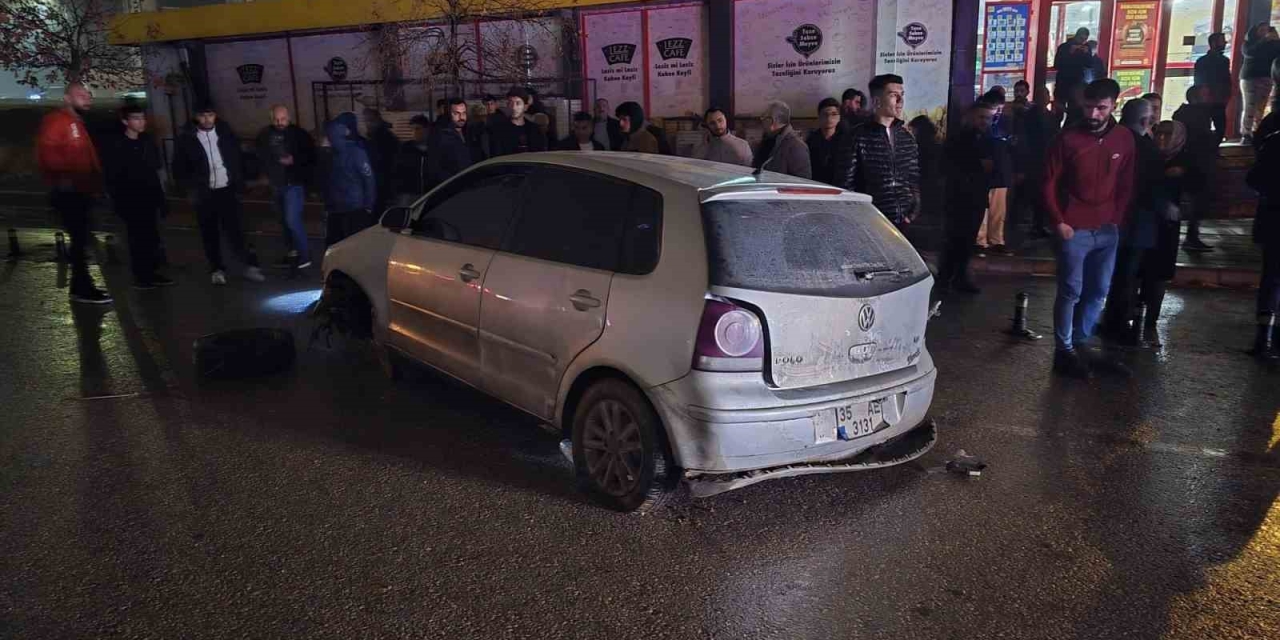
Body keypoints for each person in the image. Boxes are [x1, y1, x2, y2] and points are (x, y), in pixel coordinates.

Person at [1042, 79, 1135, 378]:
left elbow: (1126, 181)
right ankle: (1064, 349)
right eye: (1089, 107)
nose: (1094, 114)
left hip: (1107, 228)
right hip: (1074, 227)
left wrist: (1117, 218)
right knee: (1071, 290)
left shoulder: (1124, 138)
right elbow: (1048, 182)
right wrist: (1059, 220)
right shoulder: (1067, 138)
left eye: (1101, 108)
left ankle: (1080, 342)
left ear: (1114, 106)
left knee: (1098, 290)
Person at [35, 83, 111, 304]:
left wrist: (95, 185)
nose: (87, 98)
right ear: (67, 98)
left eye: (88, 95)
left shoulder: (76, 123)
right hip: (70, 192)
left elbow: (87, 158)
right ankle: (82, 288)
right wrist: (67, 181)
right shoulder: (58, 122)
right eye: (81, 95)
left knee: (81, 239)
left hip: (81, 191)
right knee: (80, 239)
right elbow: (49, 154)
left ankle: (80, 286)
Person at [174, 101, 265, 286]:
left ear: (215, 115)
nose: (207, 119)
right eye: (202, 115)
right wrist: (190, 188)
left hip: (227, 189)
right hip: (204, 192)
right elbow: (179, 167)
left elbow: (237, 159)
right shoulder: (187, 139)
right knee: (209, 232)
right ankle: (216, 268)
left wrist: (242, 182)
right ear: (196, 117)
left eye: (210, 115)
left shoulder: (226, 134)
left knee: (237, 230)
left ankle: (249, 265)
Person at [1100, 99, 1161, 343]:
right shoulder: (1145, 148)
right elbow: (1152, 186)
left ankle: (1098, 318)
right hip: (1136, 220)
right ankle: (1116, 323)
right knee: (1126, 273)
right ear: (1146, 120)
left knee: (1106, 270)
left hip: (1104, 217)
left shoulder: (1106, 139)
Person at [1138, 120, 1201, 346]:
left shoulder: (1186, 161)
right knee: (1136, 272)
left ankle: (1150, 324)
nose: (1162, 138)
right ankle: (1133, 318)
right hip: (1142, 222)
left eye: (1168, 134)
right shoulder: (1146, 156)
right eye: (1159, 133)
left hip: (1166, 228)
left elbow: (1197, 189)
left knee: (1158, 276)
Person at [101, 103, 173, 289]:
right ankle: (141, 276)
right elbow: (113, 176)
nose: (141, 122)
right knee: (137, 238)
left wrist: (161, 199)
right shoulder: (117, 145)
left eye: (142, 118)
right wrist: (117, 201)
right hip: (131, 199)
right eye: (136, 118)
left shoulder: (146, 141)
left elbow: (154, 171)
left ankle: (152, 272)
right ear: (126, 121)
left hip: (149, 196)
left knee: (152, 237)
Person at [834, 74, 919, 229]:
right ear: (876, 101)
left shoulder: (907, 137)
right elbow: (845, 184)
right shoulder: (857, 136)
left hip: (905, 222)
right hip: (871, 222)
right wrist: (861, 217)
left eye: (902, 95)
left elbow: (913, 180)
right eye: (893, 95)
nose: (900, 100)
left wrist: (912, 213)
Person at [936, 101, 996, 295]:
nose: (985, 122)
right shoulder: (958, 139)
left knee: (968, 240)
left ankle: (959, 276)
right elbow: (948, 166)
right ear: (971, 116)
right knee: (954, 238)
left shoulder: (987, 139)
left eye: (988, 118)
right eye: (981, 117)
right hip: (958, 196)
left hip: (976, 196)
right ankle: (946, 277)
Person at [255, 105, 316, 269]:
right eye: (276, 119)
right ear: (271, 119)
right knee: (283, 221)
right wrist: (264, 173)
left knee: (292, 220)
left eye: (282, 119)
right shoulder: (265, 135)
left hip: (293, 184)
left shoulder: (299, 134)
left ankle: (305, 255)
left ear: (288, 117)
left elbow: (311, 156)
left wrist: (295, 160)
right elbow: (260, 155)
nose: (279, 122)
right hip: (276, 184)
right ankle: (292, 252)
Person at [1248, 63, 1280, 358]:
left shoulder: (1272, 135)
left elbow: (1254, 178)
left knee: (1271, 278)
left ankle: (1264, 338)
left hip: (1274, 218)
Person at [323, 112, 377, 246]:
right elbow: (369, 179)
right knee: (354, 246)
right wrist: (369, 205)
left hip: (339, 207)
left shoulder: (330, 153)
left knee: (336, 246)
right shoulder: (356, 151)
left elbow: (324, 180)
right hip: (353, 206)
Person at [1173, 85, 1216, 252]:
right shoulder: (1198, 115)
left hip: (1188, 161)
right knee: (1196, 202)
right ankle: (1191, 237)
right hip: (1195, 163)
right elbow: (1201, 138)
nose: (1208, 98)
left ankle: (1186, 236)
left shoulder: (1182, 113)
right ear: (1196, 97)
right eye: (1205, 95)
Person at [976, 90, 1014, 255]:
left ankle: (996, 240)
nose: (998, 111)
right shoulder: (981, 122)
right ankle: (980, 240)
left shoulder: (1004, 123)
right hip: (984, 172)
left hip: (1000, 172)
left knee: (998, 210)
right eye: (996, 108)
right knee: (982, 209)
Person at [1240, 23, 1280, 142]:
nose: (1264, 32)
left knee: (1260, 107)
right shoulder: (1248, 43)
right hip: (1250, 78)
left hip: (1266, 78)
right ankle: (1246, 133)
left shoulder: (1273, 44)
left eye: (1266, 30)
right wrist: (1264, 40)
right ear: (1255, 32)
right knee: (1249, 106)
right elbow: (1250, 53)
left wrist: (1277, 40)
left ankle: (1256, 132)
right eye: (1261, 30)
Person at [752, 101, 811, 179]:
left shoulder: (796, 146)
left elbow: (803, 181)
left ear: (773, 120)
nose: (761, 120)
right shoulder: (768, 140)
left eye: (764, 117)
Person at [427, 97, 476, 187]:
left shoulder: (469, 133)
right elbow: (434, 168)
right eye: (456, 113)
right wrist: (453, 183)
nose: (461, 117)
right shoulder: (440, 135)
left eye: (464, 113)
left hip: (470, 185)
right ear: (449, 114)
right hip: (452, 187)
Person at [1195, 33, 1231, 147]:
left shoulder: (1201, 61)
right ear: (1214, 43)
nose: (1225, 43)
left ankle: (1208, 148)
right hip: (1215, 98)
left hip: (1208, 98)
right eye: (1222, 41)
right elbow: (1226, 80)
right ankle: (1213, 147)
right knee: (1220, 126)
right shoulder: (1223, 60)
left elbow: (1197, 81)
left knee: (1207, 125)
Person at [489, 87, 548, 157]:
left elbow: (541, 155)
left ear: (525, 107)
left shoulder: (534, 130)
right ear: (507, 105)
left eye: (518, 103)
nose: (514, 107)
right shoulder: (499, 130)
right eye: (511, 103)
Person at [362, 108, 399, 217]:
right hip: (381, 184)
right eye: (366, 121)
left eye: (370, 121)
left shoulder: (381, 138)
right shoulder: (377, 137)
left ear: (377, 120)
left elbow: (382, 163)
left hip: (381, 184)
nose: (367, 124)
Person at [805, 98, 849, 185]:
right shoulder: (811, 141)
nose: (829, 118)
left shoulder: (846, 141)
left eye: (834, 114)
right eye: (825, 114)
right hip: (816, 184)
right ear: (819, 117)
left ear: (839, 117)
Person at [1054, 28, 1091, 112]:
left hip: (1077, 83)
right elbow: (1057, 65)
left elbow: (1089, 65)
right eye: (1081, 38)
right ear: (1076, 36)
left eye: (1085, 39)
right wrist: (1070, 53)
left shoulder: (1086, 48)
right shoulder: (1064, 47)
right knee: (1059, 110)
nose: (1082, 42)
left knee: (1075, 109)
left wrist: (1087, 54)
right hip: (1062, 83)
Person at [396, 114, 431, 199]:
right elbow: (398, 170)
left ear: (427, 129)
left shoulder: (436, 148)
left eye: (418, 129)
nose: (414, 132)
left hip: (431, 192)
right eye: (412, 129)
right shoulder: (406, 148)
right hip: (410, 194)